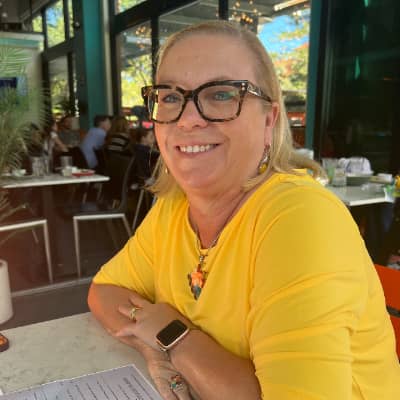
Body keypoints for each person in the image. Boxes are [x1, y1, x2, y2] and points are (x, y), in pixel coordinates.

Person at [88, 21, 400, 400]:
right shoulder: (174, 206)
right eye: (169, 97)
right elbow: (104, 291)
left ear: (269, 120)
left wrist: (173, 334)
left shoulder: (301, 218)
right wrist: (151, 344)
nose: (187, 118)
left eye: (221, 94)